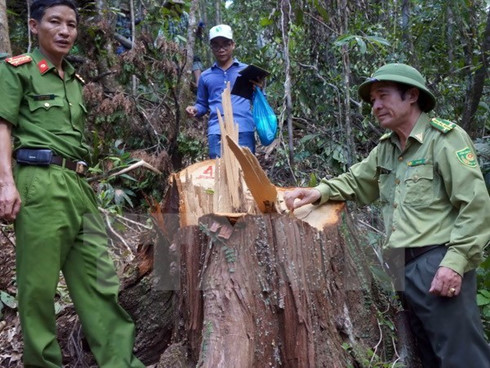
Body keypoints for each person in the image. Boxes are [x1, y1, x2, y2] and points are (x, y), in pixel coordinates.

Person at [284, 63, 490, 368]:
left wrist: (455, 264)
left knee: (462, 358)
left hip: (439, 262)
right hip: (403, 269)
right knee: (429, 357)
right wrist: (318, 192)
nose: (376, 106)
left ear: (412, 96)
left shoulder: (444, 139)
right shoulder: (388, 148)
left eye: (383, 96)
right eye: (373, 101)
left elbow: (475, 204)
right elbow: (357, 180)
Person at [0, 1, 145, 367]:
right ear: (34, 26)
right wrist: (5, 183)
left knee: (101, 281)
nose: (65, 31)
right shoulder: (17, 71)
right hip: (39, 182)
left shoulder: (76, 83)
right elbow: (3, 126)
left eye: (72, 24)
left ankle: (120, 362)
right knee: (38, 288)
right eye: (55, 22)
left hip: (81, 186)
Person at [185, 24, 256, 158]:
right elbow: (202, 104)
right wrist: (195, 109)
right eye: (216, 45)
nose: (221, 49)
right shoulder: (205, 76)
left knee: (246, 175)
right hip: (217, 131)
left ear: (233, 45)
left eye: (225, 44)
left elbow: (257, 99)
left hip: (243, 129)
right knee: (220, 174)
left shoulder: (247, 71)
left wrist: (259, 89)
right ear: (211, 47)